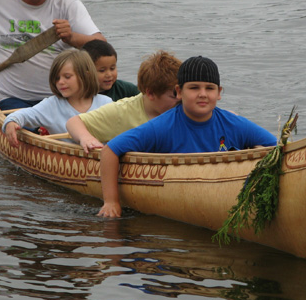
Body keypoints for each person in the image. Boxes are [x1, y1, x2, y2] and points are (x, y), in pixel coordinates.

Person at [97, 56, 278, 218]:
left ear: (219, 92)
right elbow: (110, 150)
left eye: (210, 88)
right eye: (193, 88)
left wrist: (256, 155)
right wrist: (112, 202)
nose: (202, 94)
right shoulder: (162, 126)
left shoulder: (234, 124)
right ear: (179, 91)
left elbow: (275, 147)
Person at [65, 50, 181, 153]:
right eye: (174, 95)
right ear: (150, 93)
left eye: (182, 92)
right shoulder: (123, 111)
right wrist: (86, 138)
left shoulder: (187, 107)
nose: (181, 99)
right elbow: (74, 122)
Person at [2, 49, 111, 146]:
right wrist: (12, 121)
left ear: (86, 75)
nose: (60, 82)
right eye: (57, 78)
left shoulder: (106, 103)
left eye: (67, 77)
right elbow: (25, 114)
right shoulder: (51, 105)